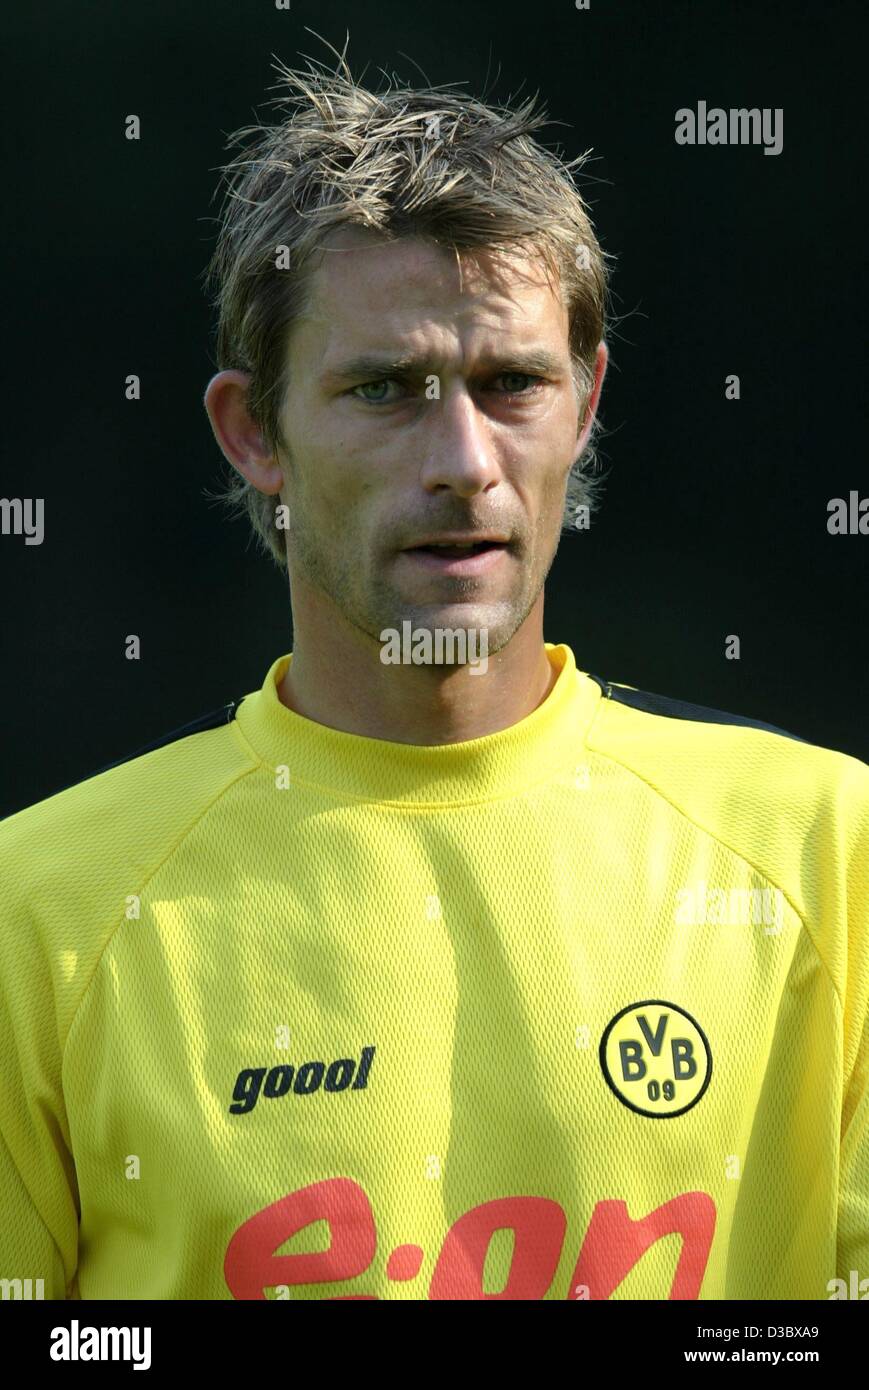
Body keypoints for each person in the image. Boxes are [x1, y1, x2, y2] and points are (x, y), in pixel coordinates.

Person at [1, 48, 866, 1303]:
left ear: (585, 403)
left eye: (509, 383)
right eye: (385, 390)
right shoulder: (42, 909)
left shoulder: (823, 856)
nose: (462, 459)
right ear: (256, 434)